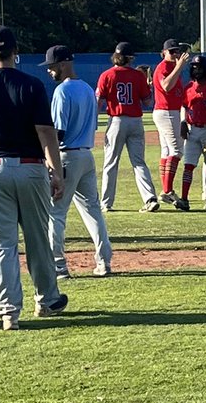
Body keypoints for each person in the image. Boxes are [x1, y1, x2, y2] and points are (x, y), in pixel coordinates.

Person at [0, 26, 68, 331]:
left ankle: (9, 312)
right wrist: (57, 173)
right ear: (15, 51)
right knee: (37, 238)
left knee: (1, 244)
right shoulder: (32, 84)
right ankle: (47, 300)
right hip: (32, 167)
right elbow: (45, 132)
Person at [44, 45, 113, 278]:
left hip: (66, 157)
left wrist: (48, 159)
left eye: (52, 67)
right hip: (86, 155)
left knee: (56, 212)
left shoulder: (62, 92)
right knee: (93, 211)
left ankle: (58, 266)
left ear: (63, 64)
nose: (49, 71)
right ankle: (104, 262)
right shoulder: (86, 89)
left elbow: (58, 133)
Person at [96, 42, 160, 213]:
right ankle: (150, 198)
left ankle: (106, 203)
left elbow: (99, 101)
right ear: (130, 58)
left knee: (110, 163)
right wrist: (148, 86)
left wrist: (93, 121)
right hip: (136, 121)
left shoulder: (107, 75)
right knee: (139, 162)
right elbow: (147, 102)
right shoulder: (138, 76)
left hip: (117, 120)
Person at [175, 54, 206, 210]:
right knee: (188, 165)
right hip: (193, 130)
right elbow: (184, 106)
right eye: (194, 67)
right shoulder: (189, 87)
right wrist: (183, 122)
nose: (196, 70)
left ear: (205, 69)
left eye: (199, 67)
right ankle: (184, 199)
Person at [153, 39, 189, 203]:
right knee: (176, 151)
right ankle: (167, 190)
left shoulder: (171, 67)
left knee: (167, 152)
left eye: (177, 51)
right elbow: (166, 86)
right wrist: (179, 66)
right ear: (164, 52)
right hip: (166, 111)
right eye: (172, 51)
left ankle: (167, 190)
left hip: (170, 111)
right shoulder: (164, 67)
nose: (175, 54)